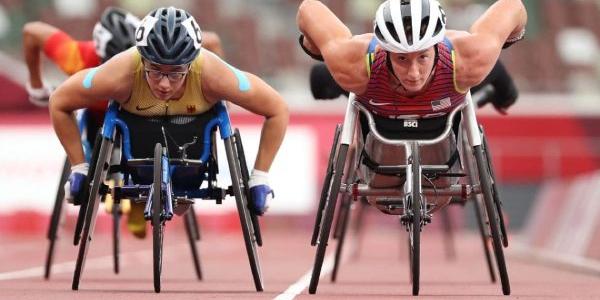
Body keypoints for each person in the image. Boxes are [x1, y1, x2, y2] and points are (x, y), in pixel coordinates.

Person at [49, 6, 288, 231]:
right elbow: (59, 102)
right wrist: (79, 167)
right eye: (154, 70)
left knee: (182, 205)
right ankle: (138, 203)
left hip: (193, 162)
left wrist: (259, 177)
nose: (164, 83)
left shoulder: (213, 74)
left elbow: (277, 108)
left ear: (191, 63)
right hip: (137, 161)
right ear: (142, 59)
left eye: (176, 73)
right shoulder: (119, 72)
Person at [297, 0, 526, 118]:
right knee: (320, 79)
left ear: (436, 47)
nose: (414, 74)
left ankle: (505, 92)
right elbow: (308, 8)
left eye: (423, 57)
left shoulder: (471, 58)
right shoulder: (352, 65)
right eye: (402, 59)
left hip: (449, 87)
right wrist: (317, 49)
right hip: (375, 90)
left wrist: (505, 42)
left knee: (494, 74)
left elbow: (514, 6)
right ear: (386, 52)